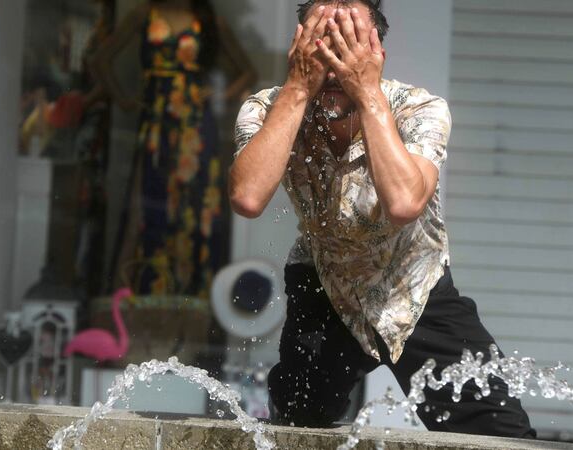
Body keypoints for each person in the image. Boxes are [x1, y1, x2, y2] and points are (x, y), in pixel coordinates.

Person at [230, 0, 535, 439]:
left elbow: (405, 202)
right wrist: (298, 88)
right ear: (299, 49)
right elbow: (247, 196)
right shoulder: (268, 109)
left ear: (376, 55)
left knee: (502, 434)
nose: (335, 66)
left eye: (349, 46)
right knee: (293, 429)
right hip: (326, 285)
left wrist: (367, 94)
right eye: (322, 46)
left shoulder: (419, 109)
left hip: (412, 286)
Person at [92, 0, 257, 297]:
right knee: (148, 200)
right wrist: (124, 100)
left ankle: (192, 301)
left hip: (195, 127)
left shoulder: (207, 20)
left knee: (195, 207)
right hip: (157, 124)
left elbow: (247, 71)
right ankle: (141, 295)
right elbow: (101, 60)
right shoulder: (144, 14)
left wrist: (220, 94)